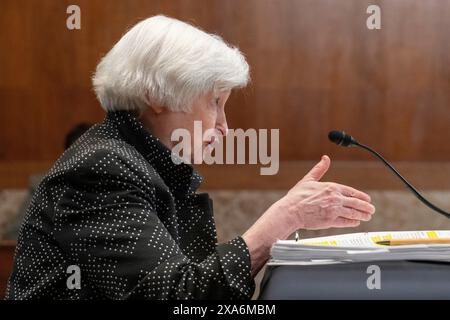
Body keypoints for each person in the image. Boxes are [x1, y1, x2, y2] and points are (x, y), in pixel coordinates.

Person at [6, 15, 375, 300]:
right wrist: (284, 218)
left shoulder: (141, 160)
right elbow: (181, 297)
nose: (226, 128)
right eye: (215, 102)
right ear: (156, 95)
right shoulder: (102, 169)